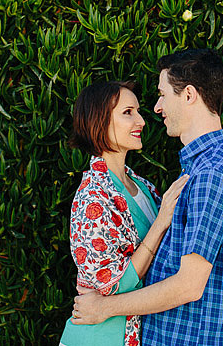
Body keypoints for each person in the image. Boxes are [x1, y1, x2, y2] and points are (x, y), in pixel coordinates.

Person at [72, 49, 223, 346]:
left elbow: (188, 286)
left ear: (189, 95)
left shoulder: (211, 174)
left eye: (162, 94)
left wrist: (103, 307)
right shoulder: (198, 170)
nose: (156, 108)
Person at [60, 80, 189, 346]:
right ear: (100, 121)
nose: (141, 121)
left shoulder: (142, 186)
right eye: (128, 112)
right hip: (98, 338)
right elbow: (112, 286)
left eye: (138, 112)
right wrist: (161, 220)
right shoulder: (92, 197)